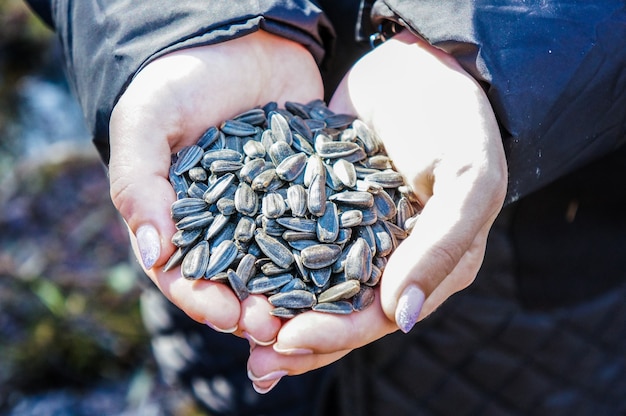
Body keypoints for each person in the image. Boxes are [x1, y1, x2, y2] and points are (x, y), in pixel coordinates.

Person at [24, 0, 626, 414]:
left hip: (558, 255)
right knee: (243, 381)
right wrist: (178, 24)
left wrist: (487, 49)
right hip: (226, 257)